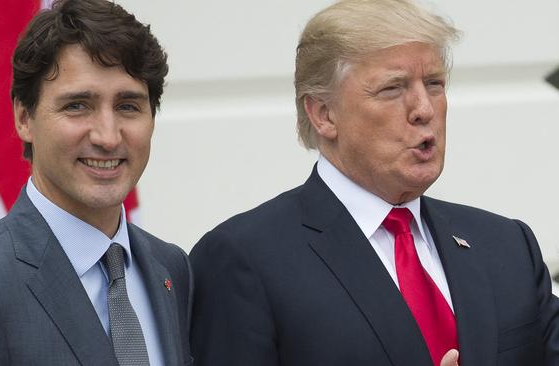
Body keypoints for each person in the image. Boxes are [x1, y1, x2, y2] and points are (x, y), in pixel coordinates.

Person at [189, 0, 559, 365]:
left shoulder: (507, 245)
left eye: (434, 84)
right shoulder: (244, 260)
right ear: (323, 114)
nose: (424, 109)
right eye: (393, 88)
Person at [0, 1, 192, 365]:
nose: (107, 136)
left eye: (127, 106)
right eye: (77, 106)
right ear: (24, 118)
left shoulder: (171, 268)